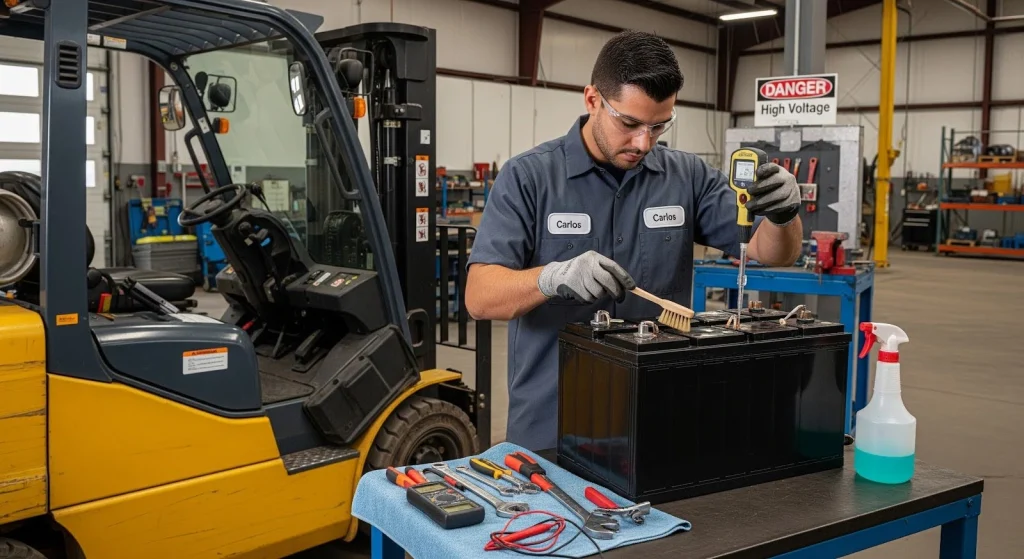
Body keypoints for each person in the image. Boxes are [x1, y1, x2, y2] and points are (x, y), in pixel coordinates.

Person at [465, 30, 803, 450]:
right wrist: (551, 278)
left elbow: (769, 253)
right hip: (554, 425)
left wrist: (784, 214)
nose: (644, 142)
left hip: (661, 416)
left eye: (660, 126)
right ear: (592, 100)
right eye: (629, 123)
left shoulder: (688, 177)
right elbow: (480, 297)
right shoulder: (528, 178)